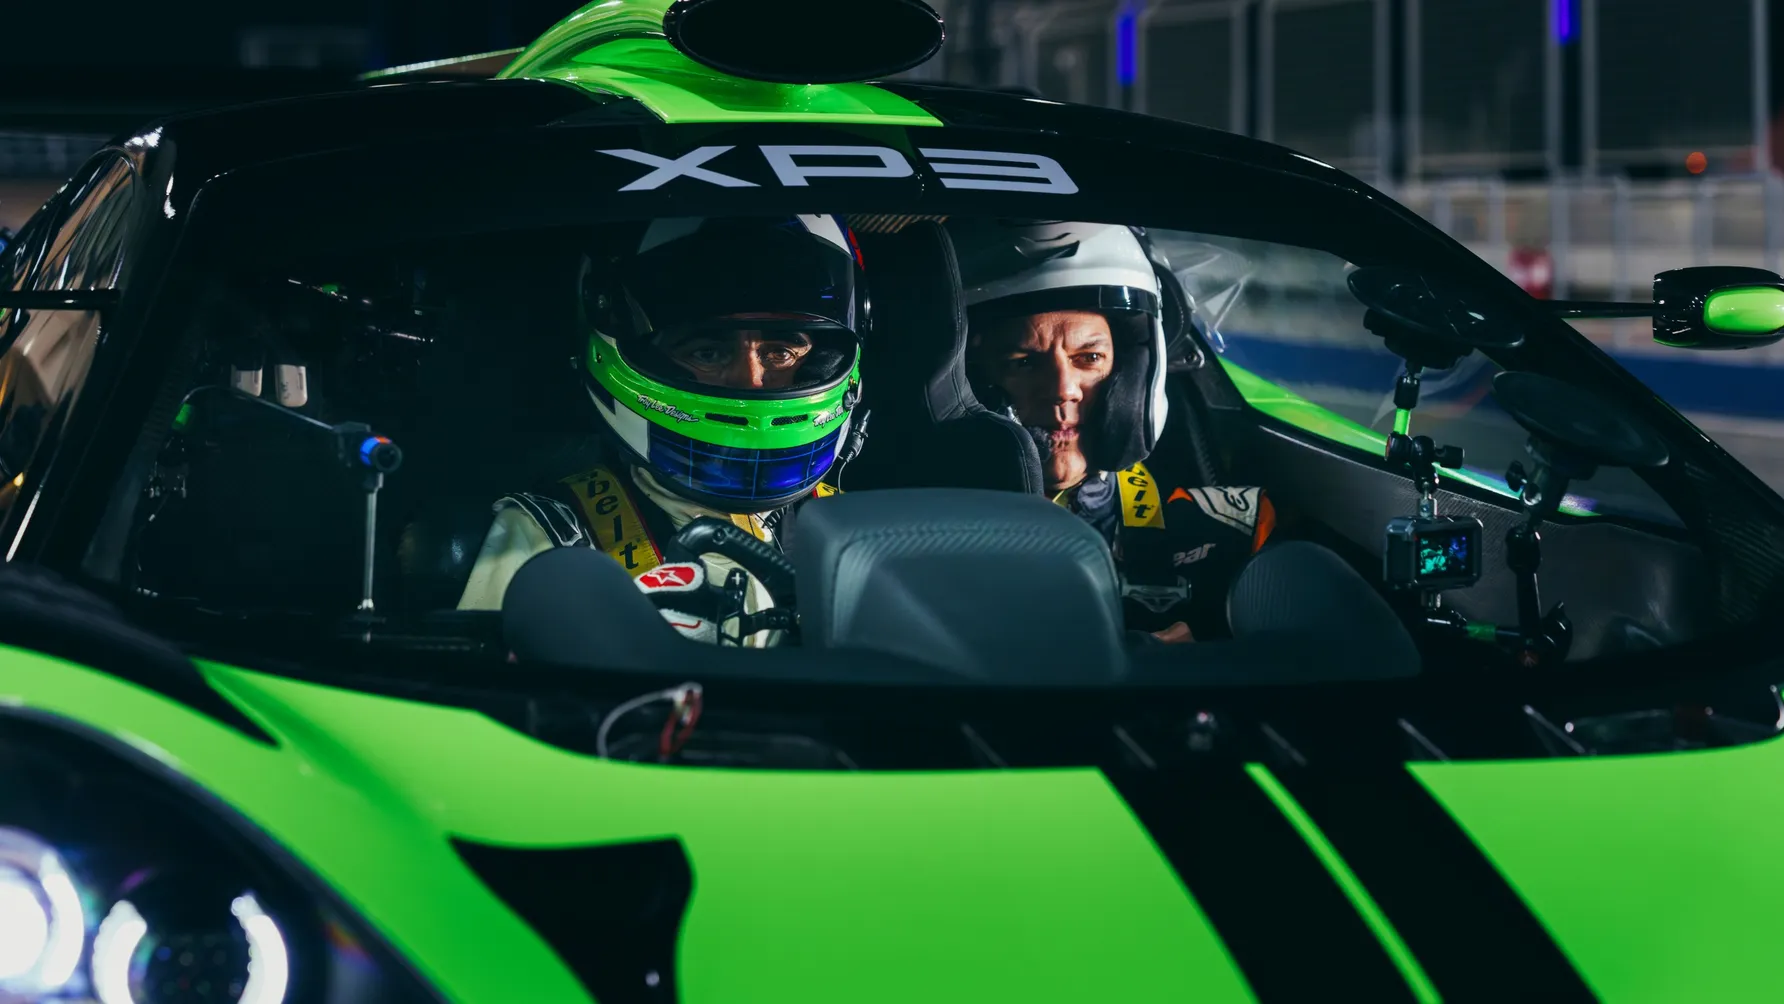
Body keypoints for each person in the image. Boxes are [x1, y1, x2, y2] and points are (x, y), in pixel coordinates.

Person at [456, 215, 867, 646]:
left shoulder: (858, 531)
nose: (750, 381)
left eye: (779, 353)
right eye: (708, 353)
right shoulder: (550, 536)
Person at [950, 219, 1276, 642]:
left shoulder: (1226, 531)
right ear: (974, 379)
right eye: (1024, 363)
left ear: (1131, 376)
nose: (1064, 390)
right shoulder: (903, 534)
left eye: (1089, 358)